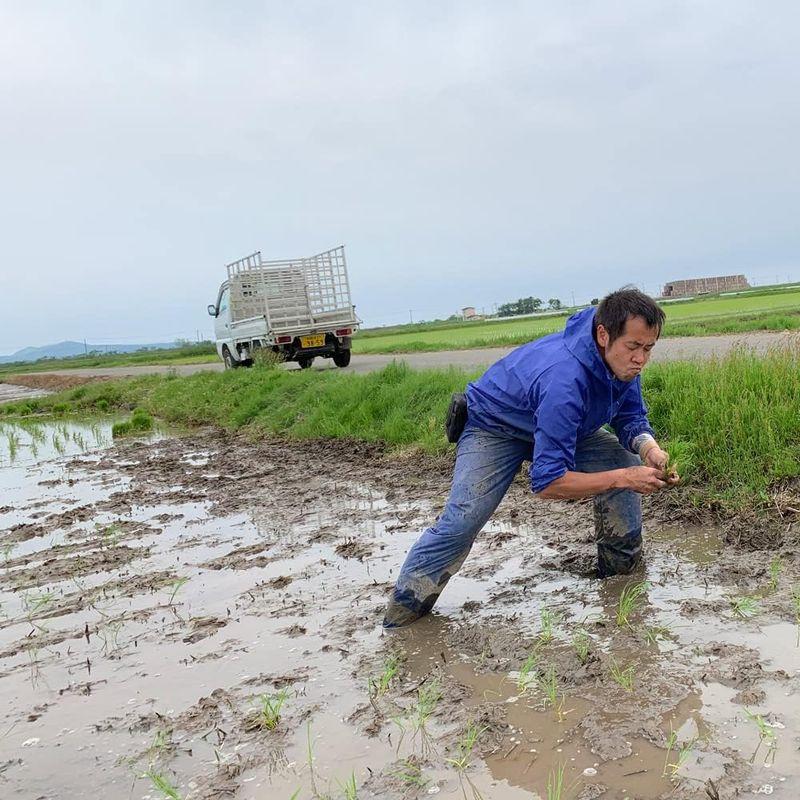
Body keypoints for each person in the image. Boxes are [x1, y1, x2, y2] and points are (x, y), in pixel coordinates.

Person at [383, 288, 677, 629]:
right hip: (495, 428)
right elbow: (548, 483)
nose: (640, 358)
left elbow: (630, 420)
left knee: (625, 457)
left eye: (648, 348)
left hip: (559, 426)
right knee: (463, 518)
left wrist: (650, 451)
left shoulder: (623, 365)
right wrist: (624, 477)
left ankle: (620, 576)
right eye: (633, 347)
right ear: (603, 334)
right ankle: (403, 614)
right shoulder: (564, 380)